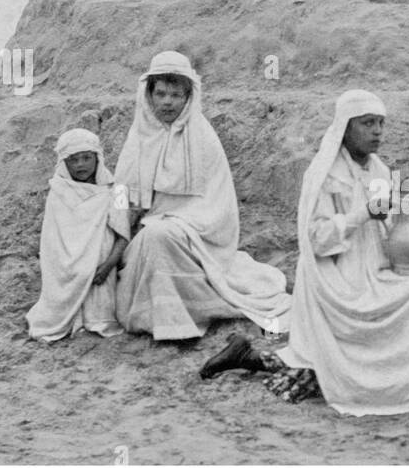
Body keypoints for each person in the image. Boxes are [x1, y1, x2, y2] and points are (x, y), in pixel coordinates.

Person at [199, 90, 409, 416]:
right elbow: (316, 239)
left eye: (381, 124)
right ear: (345, 127)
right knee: (321, 370)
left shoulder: (380, 171)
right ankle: (248, 358)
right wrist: (361, 214)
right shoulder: (324, 175)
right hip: (334, 277)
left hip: (375, 269)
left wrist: (396, 219)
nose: (377, 132)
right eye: (367, 123)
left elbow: (387, 231)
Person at [113, 51, 291, 341]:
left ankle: (178, 323)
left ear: (188, 97)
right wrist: (120, 225)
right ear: (149, 95)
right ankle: (155, 316)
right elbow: (122, 192)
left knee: (159, 236)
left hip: (199, 235)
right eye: (160, 94)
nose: (167, 102)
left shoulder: (203, 138)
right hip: (145, 230)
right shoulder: (138, 137)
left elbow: (217, 205)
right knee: (147, 241)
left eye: (175, 95)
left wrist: (178, 222)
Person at [26, 129, 130, 342]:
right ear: (64, 163)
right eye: (73, 160)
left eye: (86, 158)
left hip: (104, 264)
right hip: (66, 265)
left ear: (97, 158)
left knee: (100, 311)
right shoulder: (58, 191)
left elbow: (123, 235)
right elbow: (52, 241)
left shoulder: (118, 190)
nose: (81, 165)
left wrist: (108, 265)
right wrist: (72, 263)